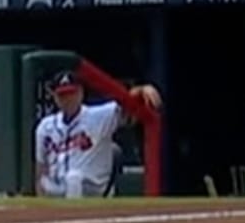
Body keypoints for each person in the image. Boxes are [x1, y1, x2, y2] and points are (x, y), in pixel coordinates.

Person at [33, 69, 162, 198]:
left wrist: (140, 90)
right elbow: (41, 169)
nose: (68, 99)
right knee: (47, 182)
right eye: (63, 95)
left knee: (74, 178)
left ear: (81, 93)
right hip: (59, 188)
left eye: (72, 93)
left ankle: (75, 215)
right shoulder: (45, 127)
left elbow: (128, 108)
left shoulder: (99, 116)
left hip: (93, 187)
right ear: (55, 97)